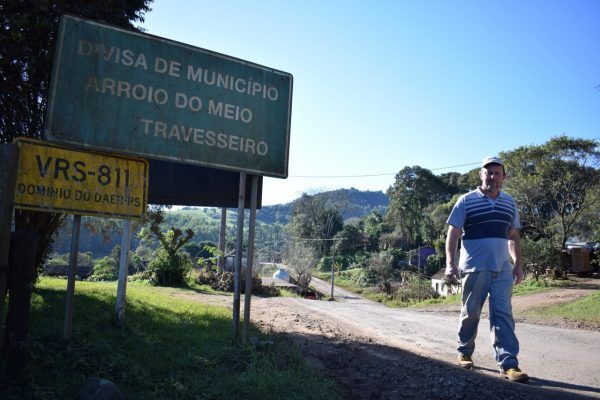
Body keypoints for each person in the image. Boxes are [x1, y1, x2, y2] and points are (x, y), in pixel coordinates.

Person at [445, 156, 529, 383]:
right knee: (471, 311)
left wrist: (518, 264)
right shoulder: (466, 201)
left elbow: (512, 235)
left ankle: (509, 363)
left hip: (502, 268)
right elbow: (453, 234)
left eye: (497, 173)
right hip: (474, 267)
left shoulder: (509, 202)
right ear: (481, 175)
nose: (492, 176)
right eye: (488, 172)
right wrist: (450, 264)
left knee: (503, 314)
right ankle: (464, 351)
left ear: (504, 176)